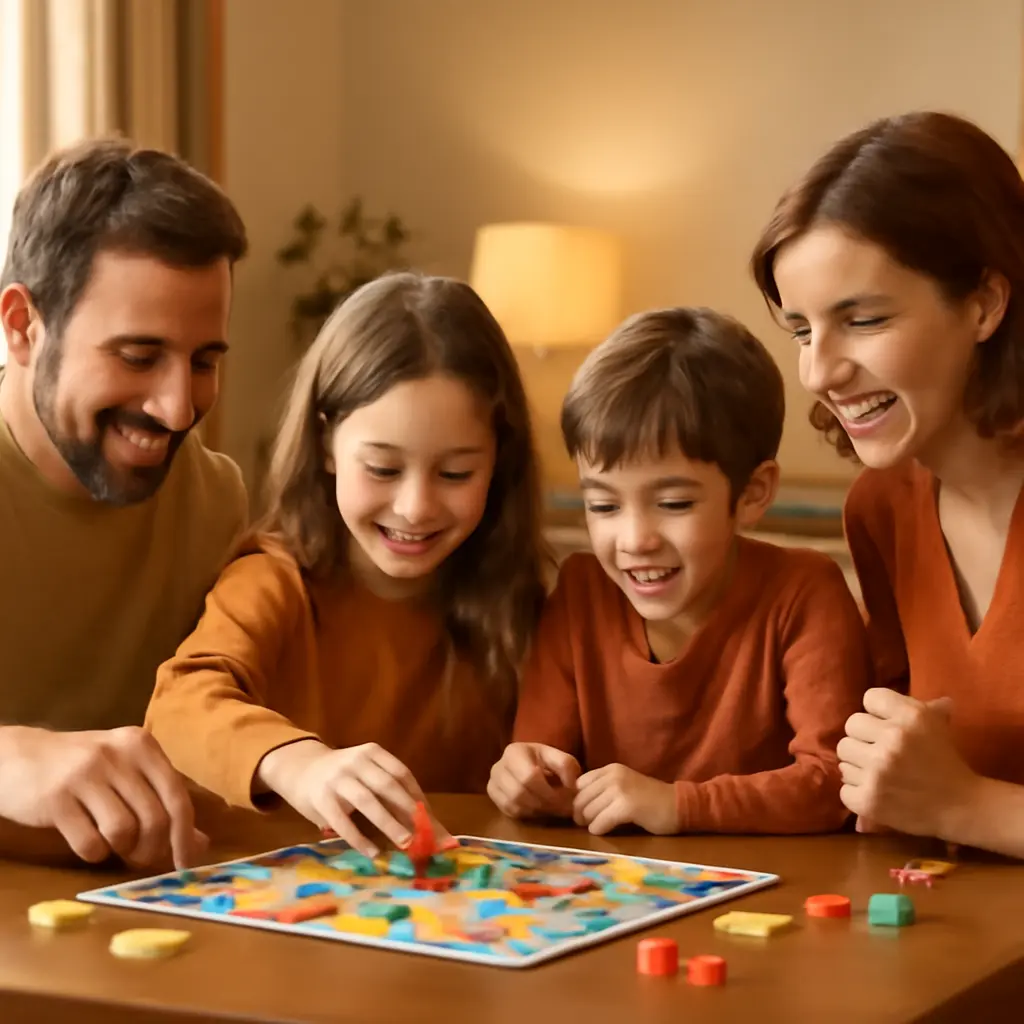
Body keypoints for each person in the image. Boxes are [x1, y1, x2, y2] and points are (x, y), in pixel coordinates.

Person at [145, 271, 548, 856]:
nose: (415, 507)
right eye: (383, 469)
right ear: (326, 442)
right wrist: (301, 766)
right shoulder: (275, 578)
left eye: (455, 473)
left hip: (453, 914)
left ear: (499, 460)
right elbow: (178, 709)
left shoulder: (519, 603)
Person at [751, 110, 1024, 859]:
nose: (817, 371)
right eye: (803, 330)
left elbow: (947, 797)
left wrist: (967, 806)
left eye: (863, 319)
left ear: (984, 304)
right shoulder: (881, 511)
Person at [488, 307, 870, 835]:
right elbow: (539, 761)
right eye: (603, 506)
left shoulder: (804, 594)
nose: (635, 540)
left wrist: (678, 804)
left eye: (672, 504)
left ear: (753, 493)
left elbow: (836, 784)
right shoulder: (581, 593)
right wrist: (522, 778)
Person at [0, 136, 249, 868]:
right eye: (138, 357)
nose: (177, 409)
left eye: (204, 361)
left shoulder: (218, 502)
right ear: (23, 327)